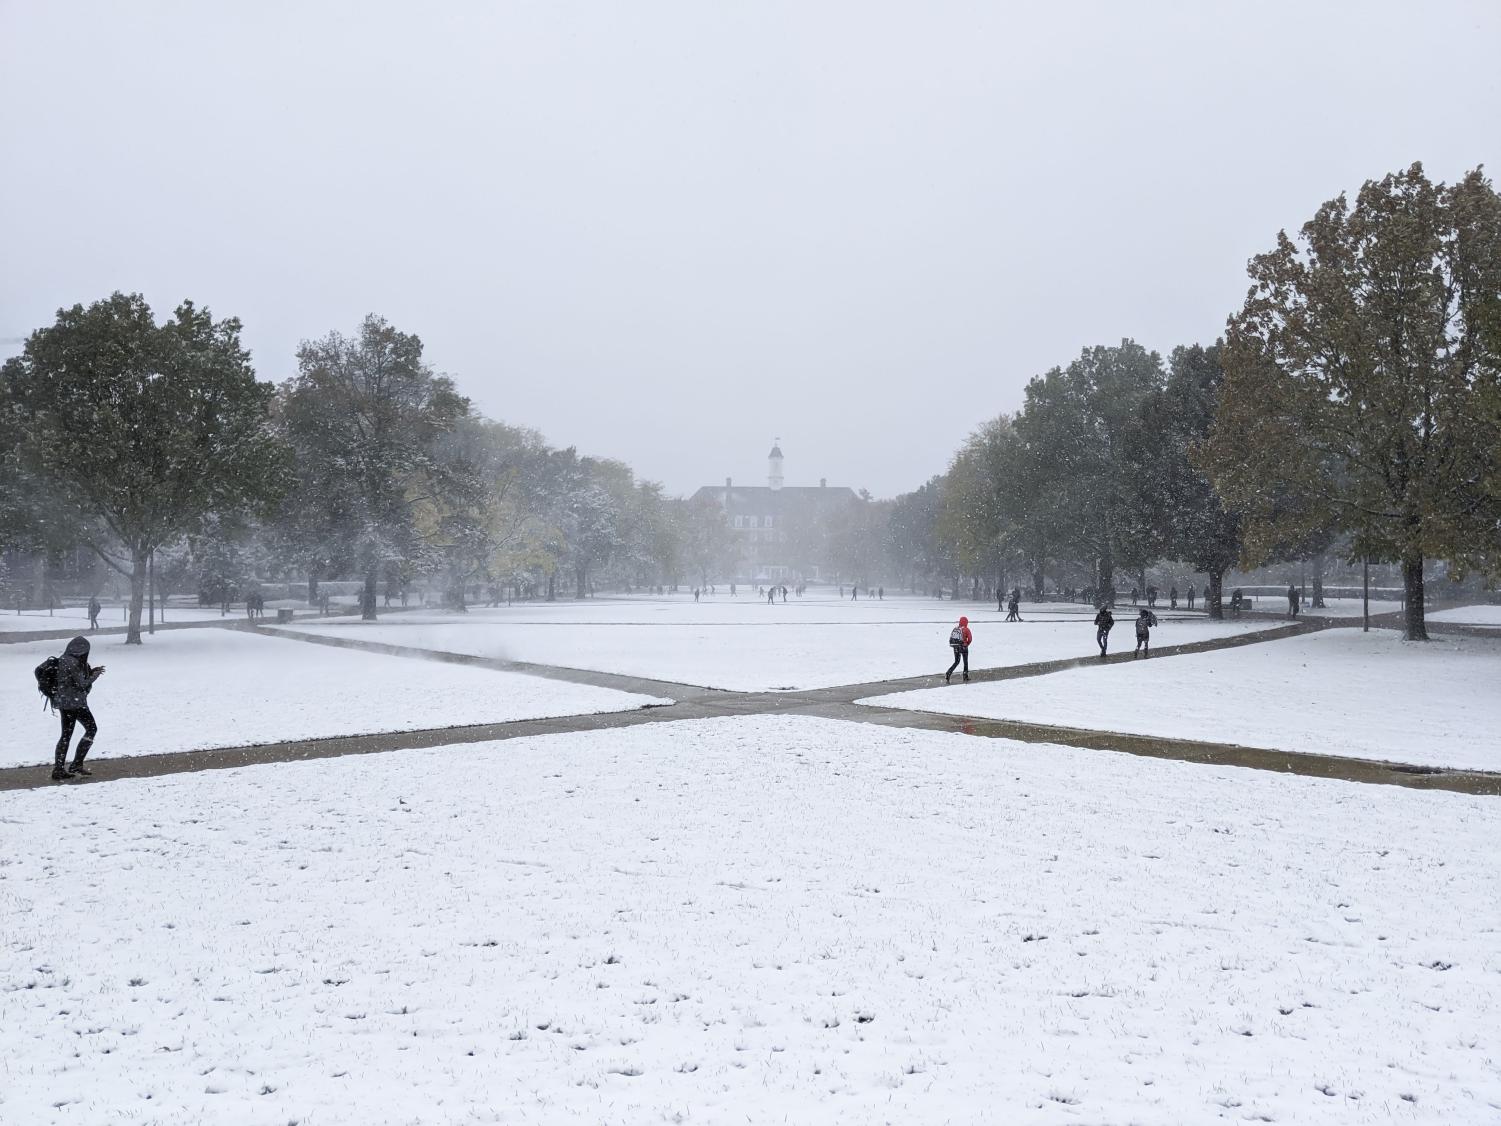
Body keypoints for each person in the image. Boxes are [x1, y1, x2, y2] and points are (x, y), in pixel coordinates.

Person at [51, 636, 105, 781]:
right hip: (73, 703)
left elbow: (73, 680)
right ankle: (70, 766)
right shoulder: (72, 662)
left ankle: (62, 768)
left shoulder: (64, 659)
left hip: (66, 702)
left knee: (67, 735)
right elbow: (82, 684)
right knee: (90, 729)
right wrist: (95, 675)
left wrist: (90, 671)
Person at [945, 615, 972, 683]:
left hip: (956, 647)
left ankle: (948, 672)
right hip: (964, 647)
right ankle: (965, 676)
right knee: (965, 662)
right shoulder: (966, 629)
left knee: (957, 661)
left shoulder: (956, 628)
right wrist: (966, 644)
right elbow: (970, 639)